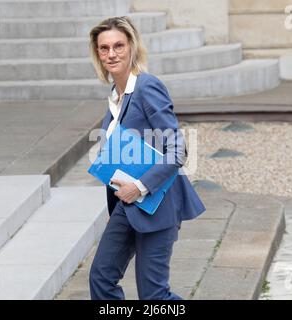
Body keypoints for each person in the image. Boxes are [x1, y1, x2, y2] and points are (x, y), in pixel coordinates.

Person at [88, 16, 206, 300]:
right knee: (101, 279)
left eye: (118, 45)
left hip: (156, 202)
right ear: (97, 54)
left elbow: (178, 151)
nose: (111, 53)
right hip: (125, 206)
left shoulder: (146, 87)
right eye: (104, 48)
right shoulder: (115, 96)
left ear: (132, 48)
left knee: (154, 297)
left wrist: (140, 186)